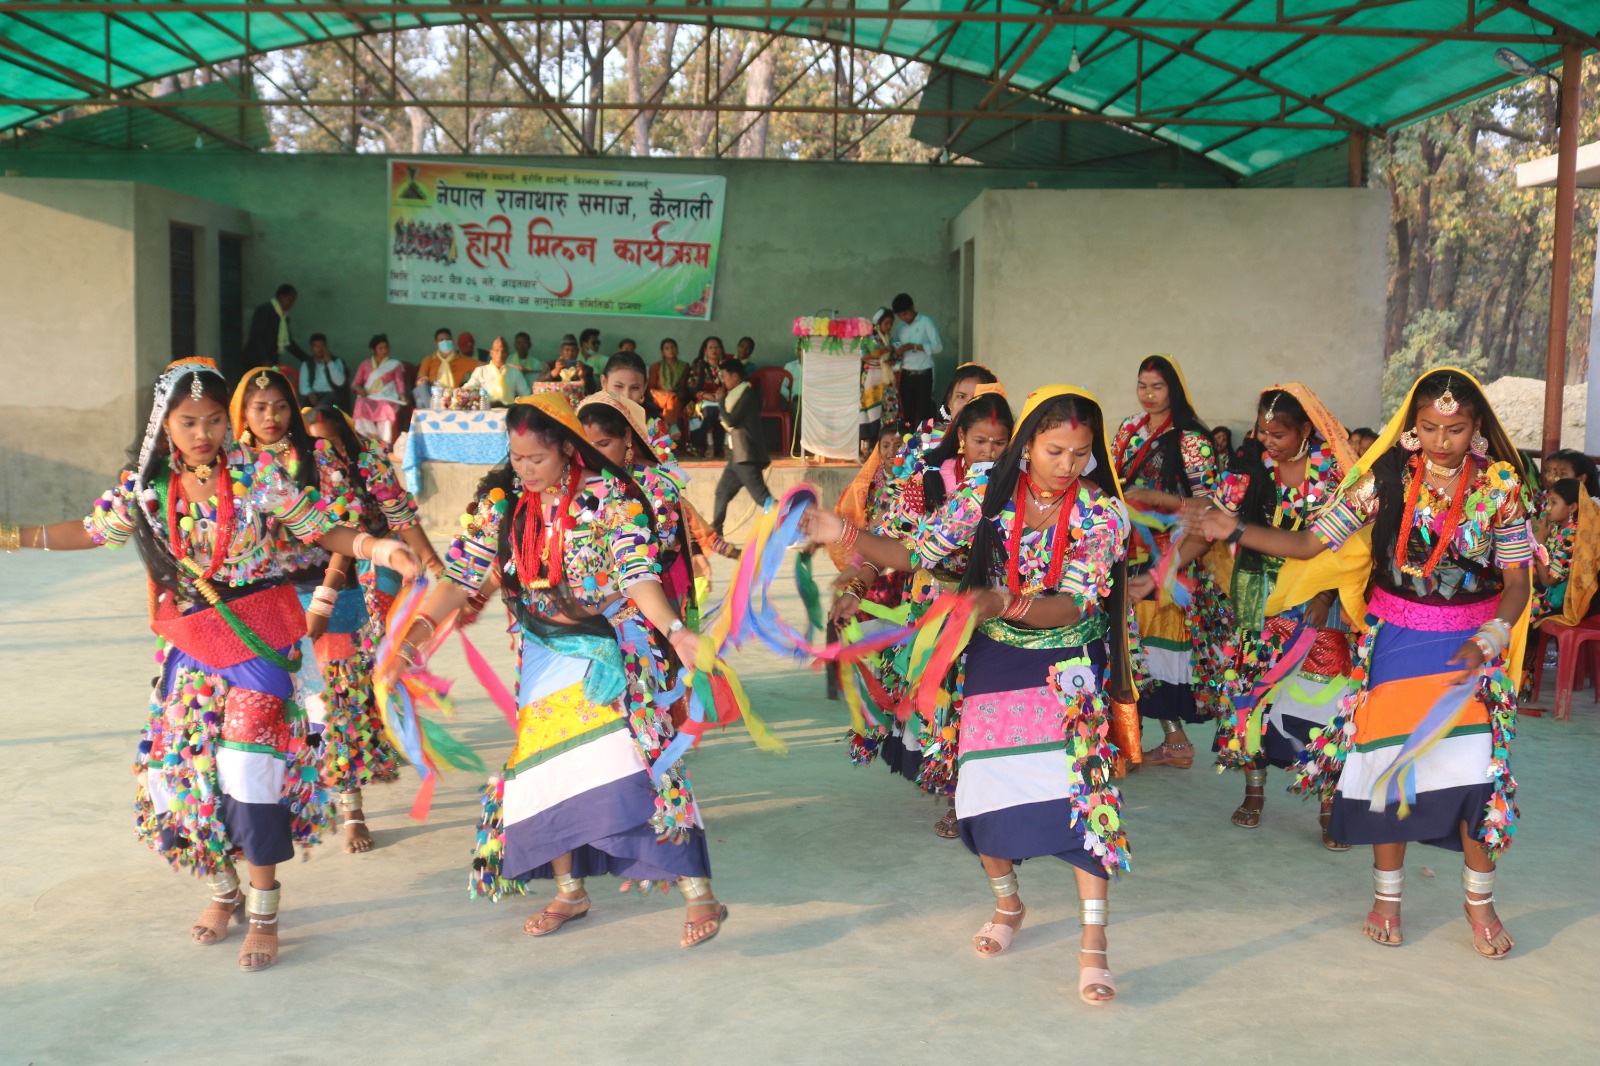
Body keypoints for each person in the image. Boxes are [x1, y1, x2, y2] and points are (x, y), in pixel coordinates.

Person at [1, 357, 420, 972]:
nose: (204, 434)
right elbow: (92, 531)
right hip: (192, 644)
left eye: (215, 421)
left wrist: (375, 546)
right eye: (189, 421)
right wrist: (12, 536)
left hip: (259, 636)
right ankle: (222, 894)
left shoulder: (256, 473)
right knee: (182, 777)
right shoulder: (147, 487)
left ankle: (265, 910)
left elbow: (316, 525)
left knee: (249, 769)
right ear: (164, 424)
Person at [804, 385, 1134, 1004]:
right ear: (1028, 445)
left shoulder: (1102, 514)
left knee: (1082, 795)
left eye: (1080, 453)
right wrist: (842, 529)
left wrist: (999, 600)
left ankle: (1095, 947)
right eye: (1055, 450)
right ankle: (1009, 907)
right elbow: (918, 552)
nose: (1067, 465)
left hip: (1067, 663)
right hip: (993, 657)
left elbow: (1078, 600)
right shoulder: (984, 493)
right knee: (983, 791)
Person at [1191, 368, 1529, 959]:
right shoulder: (1387, 477)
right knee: (1389, 774)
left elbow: (1519, 581)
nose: (1440, 439)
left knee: (1476, 778)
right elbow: (1311, 543)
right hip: (1395, 644)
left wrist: (1495, 636)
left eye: (1454, 428)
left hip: (1471, 649)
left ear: (1478, 428)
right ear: (1411, 427)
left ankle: (1480, 904)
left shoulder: (1501, 485)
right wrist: (1237, 529)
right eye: (1428, 427)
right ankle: (1387, 901)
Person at [378, 395, 727, 948]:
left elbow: (638, 573)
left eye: (536, 458)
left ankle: (698, 892)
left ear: (567, 449)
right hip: (540, 656)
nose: (525, 470)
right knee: (545, 773)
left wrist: (676, 630)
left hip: (609, 654)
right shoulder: (503, 506)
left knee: (636, 766)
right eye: (516, 459)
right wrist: (409, 646)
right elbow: (461, 579)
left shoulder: (610, 499)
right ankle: (570, 890)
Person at [1185, 385, 1360, 849]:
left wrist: (1324, 592)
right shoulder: (1247, 472)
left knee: (1323, 699)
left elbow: (1348, 544)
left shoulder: (1333, 475)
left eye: (1279, 434)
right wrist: (1162, 571)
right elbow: (1212, 527)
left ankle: (1328, 804)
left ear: (1307, 429)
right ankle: (1255, 791)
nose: (1268, 441)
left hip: (1320, 603)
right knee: (1252, 692)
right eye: (1263, 431)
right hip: (1257, 596)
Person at [835, 392, 1014, 838]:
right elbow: (894, 544)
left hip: (999, 615)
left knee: (987, 707)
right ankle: (958, 799)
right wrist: (857, 585)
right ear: (959, 438)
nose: (988, 453)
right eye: (979, 442)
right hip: (937, 610)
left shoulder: (1018, 489)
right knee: (945, 705)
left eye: (999, 443)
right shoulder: (925, 483)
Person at [301, 402, 443, 850]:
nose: (321, 448)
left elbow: (400, 515)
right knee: (323, 700)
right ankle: (342, 801)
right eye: (313, 441)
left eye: (328, 438)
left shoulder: (369, 461)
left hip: (365, 585)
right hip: (311, 594)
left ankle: (354, 800)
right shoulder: (286, 476)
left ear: (344, 435)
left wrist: (433, 560)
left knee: (354, 690)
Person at [1112, 354, 1231, 770]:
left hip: (1171, 552)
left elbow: (1209, 505)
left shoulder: (1192, 440)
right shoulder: (1128, 429)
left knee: (1149, 646)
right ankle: (1161, 740)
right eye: (1142, 385)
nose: (1148, 395)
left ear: (1173, 390)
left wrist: (1160, 500)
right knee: (1129, 644)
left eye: (1157, 387)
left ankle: (1156, 741)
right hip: (1127, 548)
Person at [710, 358, 772, 537]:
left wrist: (720, 402)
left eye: (725, 376)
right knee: (722, 492)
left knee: (763, 498)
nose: (723, 381)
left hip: (746, 455)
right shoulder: (739, 393)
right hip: (738, 455)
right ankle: (716, 532)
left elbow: (730, 420)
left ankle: (794, 528)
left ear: (735, 376)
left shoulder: (746, 394)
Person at [889, 293, 943, 429]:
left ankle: (927, 446)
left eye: (905, 313)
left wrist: (914, 346)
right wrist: (896, 354)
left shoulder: (926, 322)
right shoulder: (900, 328)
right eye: (900, 315)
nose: (903, 318)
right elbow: (896, 347)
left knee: (925, 411)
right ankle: (909, 444)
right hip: (906, 374)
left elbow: (938, 347)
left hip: (923, 374)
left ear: (913, 307)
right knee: (907, 413)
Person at [237, 283, 309, 382]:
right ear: (281, 296)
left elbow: (288, 342)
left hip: (270, 360)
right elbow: (257, 336)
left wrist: (307, 359)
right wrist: (264, 359)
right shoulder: (265, 310)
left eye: (293, 301)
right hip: (255, 359)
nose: (291, 304)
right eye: (290, 300)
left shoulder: (283, 317)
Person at [1532, 479, 1579, 620]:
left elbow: (1548, 581)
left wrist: (1540, 542)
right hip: (1541, 588)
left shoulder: (1572, 537)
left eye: (1554, 503)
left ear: (1572, 507)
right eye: (1548, 502)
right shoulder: (1556, 527)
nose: (1547, 508)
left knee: (1514, 604)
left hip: (1553, 599)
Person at [351, 333, 407, 447]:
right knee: (360, 403)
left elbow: (399, 382)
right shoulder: (365, 364)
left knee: (385, 406)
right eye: (380, 348)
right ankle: (373, 438)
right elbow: (355, 383)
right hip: (369, 396)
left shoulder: (394, 365)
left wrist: (402, 396)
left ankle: (385, 442)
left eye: (386, 347)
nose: (384, 350)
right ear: (373, 350)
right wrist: (359, 389)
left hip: (386, 396)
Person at [859, 309, 895, 457]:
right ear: (878, 323)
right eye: (886, 323)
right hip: (871, 379)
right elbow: (861, 356)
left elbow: (890, 357)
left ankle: (881, 446)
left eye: (890, 324)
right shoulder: (869, 337)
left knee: (885, 412)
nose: (888, 327)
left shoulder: (887, 338)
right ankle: (867, 447)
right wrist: (876, 354)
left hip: (885, 379)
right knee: (871, 412)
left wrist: (891, 360)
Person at [687, 337, 729, 458]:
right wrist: (705, 395)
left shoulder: (727, 365)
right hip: (702, 399)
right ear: (705, 350)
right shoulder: (698, 365)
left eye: (717, 347)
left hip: (724, 398)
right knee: (708, 411)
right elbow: (691, 388)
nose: (714, 350)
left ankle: (722, 447)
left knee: (723, 410)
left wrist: (722, 395)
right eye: (710, 347)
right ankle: (706, 446)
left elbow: (733, 383)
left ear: (721, 349)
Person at [465, 336, 534, 406]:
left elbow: (526, 395)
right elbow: (468, 388)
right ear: (491, 353)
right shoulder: (481, 371)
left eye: (503, 351)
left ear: (507, 354)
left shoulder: (515, 372)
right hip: (486, 410)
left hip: (508, 410)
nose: (500, 354)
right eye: (497, 350)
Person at [416, 328, 477, 405]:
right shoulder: (429, 360)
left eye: (447, 339)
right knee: (420, 389)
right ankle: (432, 412)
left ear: (452, 341)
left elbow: (483, 367)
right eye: (441, 340)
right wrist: (425, 380)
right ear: (436, 344)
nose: (445, 342)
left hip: (454, 396)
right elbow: (420, 380)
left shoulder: (462, 360)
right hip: (433, 395)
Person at [649, 338, 693, 445]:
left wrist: (675, 393)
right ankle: (673, 425)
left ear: (677, 349)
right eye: (667, 348)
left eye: (673, 347)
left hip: (678, 396)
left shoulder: (685, 366)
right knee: (671, 397)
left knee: (673, 397)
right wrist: (662, 392)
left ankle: (666, 427)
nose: (670, 350)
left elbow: (686, 386)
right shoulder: (656, 366)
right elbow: (650, 387)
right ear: (662, 352)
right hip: (659, 396)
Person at [298, 334, 349, 410]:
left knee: (322, 405)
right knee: (302, 401)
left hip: (332, 394)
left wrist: (329, 362)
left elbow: (340, 382)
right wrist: (310, 394)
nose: (319, 349)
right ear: (311, 348)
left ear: (326, 347)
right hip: (314, 393)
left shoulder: (337, 361)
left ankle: (315, 417)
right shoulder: (306, 364)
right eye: (316, 346)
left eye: (322, 346)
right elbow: (303, 386)